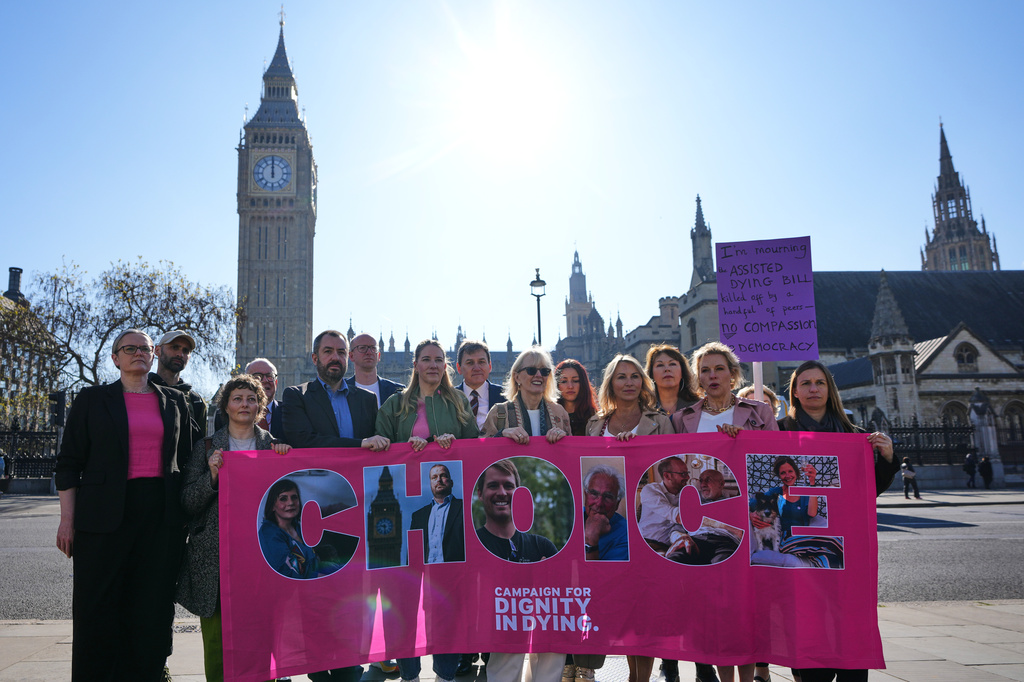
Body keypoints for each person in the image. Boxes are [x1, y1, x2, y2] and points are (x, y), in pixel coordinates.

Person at [54, 328, 194, 681]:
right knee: (97, 607)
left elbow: (188, 460)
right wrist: (67, 520)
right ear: (115, 358)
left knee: (151, 607)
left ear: (154, 355)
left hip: (160, 516)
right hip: (103, 516)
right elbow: (69, 463)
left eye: (145, 348)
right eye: (129, 348)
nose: (139, 353)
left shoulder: (175, 401)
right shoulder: (91, 399)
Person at [776, 360, 898, 682]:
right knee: (807, 629)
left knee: (849, 627)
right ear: (796, 392)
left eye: (819, 382)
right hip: (800, 548)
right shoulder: (778, 432)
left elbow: (868, 492)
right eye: (806, 383)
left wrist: (886, 459)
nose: (813, 388)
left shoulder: (854, 435)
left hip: (845, 550)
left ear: (829, 389)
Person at [375, 339, 478, 682]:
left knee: (446, 603)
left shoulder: (459, 403)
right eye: (426, 359)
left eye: (439, 360)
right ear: (415, 364)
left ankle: (445, 675)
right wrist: (404, 448)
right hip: (406, 517)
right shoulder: (394, 405)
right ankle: (409, 675)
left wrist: (454, 444)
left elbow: (476, 451)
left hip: (448, 516)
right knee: (402, 604)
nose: (433, 365)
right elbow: (379, 451)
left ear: (446, 366)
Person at [177, 374, 291, 681]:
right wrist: (212, 476)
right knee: (217, 646)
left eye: (251, 399)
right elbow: (187, 501)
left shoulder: (275, 449)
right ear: (226, 406)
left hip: (261, 559)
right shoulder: (206, 448)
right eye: (237, 399)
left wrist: (285, 462)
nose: (245, 404)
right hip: (217, 561)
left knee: (262, 643)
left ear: (260, 406)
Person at [583, 354, 672, 682]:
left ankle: (640, 679)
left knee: (643, 611)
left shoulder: (660, 422)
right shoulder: (596, 425)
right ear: (611, 383)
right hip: (611, 534)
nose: (629, 382)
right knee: (614, 607)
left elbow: (670, 464)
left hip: (647, 527)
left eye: (635, 376)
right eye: (621, 377)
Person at [474, 460, 563, 682]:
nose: (502, 492)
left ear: (520, 492)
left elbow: (565, 598)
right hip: (495, 639)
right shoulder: (473, 545)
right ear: (479, 493)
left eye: (509, 486)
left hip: (543, 644)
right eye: (493, 485)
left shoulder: (543, 546)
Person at [281, 330, 390, 451]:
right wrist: (360, 444)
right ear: (315, 358)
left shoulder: (367, 399)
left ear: (348, 358)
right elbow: (302, 441)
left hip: (357, 469)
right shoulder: (297, 396)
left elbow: (381, 440)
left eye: (341, 352)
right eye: (328, 351)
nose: (335, 357)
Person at [481, 347, 571, 444]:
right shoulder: (499, 412)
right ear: (517, 377)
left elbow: (571, 452)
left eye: (544, 371)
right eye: (531, 370)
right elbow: (481, 448)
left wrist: (563, 439)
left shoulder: (559, 412)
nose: (539, 375)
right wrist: (501, 434)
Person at [151, 329, 208, 442]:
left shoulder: (196, 401)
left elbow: (199, 448)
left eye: (185, 351)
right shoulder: (142, 390)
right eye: (174, 347)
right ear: (157, 350)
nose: (180, 354)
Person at [213, 357, 286, 439]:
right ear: (246, 381)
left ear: (275, 382)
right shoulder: (224, 414)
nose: (265, 380)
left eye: (270, 376)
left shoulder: (289, 413)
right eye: (258, 376)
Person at [409, 464, 465, 563]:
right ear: (430, 483)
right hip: (427, 575)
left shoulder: (465, 507)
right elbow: (412, 554)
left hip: (457, 573)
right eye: (434, 477)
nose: (438, 480)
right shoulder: (418, 516)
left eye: (443, 476)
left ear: (451, 483)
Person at [347, 333, 405, 408]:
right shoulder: (340, 390)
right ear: (351, 356)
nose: (369, 352)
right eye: (362, 348)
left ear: (379, 356)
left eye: (373, 348)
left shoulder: (399, 391)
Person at [583, 464, 628, 561]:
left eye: (608, 497)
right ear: (585, 495)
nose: (599, 503)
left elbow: (597, 575)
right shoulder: (571, 517)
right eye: (594, 494)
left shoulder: (626, 534)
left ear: (617, 503)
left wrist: (591, 540)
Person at [455, 339, 503, 429]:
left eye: (481, 362)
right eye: (470, 363)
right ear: (459, 368)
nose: (477, 368)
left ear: (490, 366)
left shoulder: (505, 396)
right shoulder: (449, 397)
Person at [644, 344, 700, 415]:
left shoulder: (698, 406)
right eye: (660, 365)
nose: (667, 369)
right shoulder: (643, 409)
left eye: (672, 364)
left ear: (682, 371)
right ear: (651, 374)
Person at [555, 359, 598, 437]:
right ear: (556, 385)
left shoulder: (596, 418)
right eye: (564, 381)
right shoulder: (549, 416)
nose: (570, 386)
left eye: (575, 381)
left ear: (583, 384)